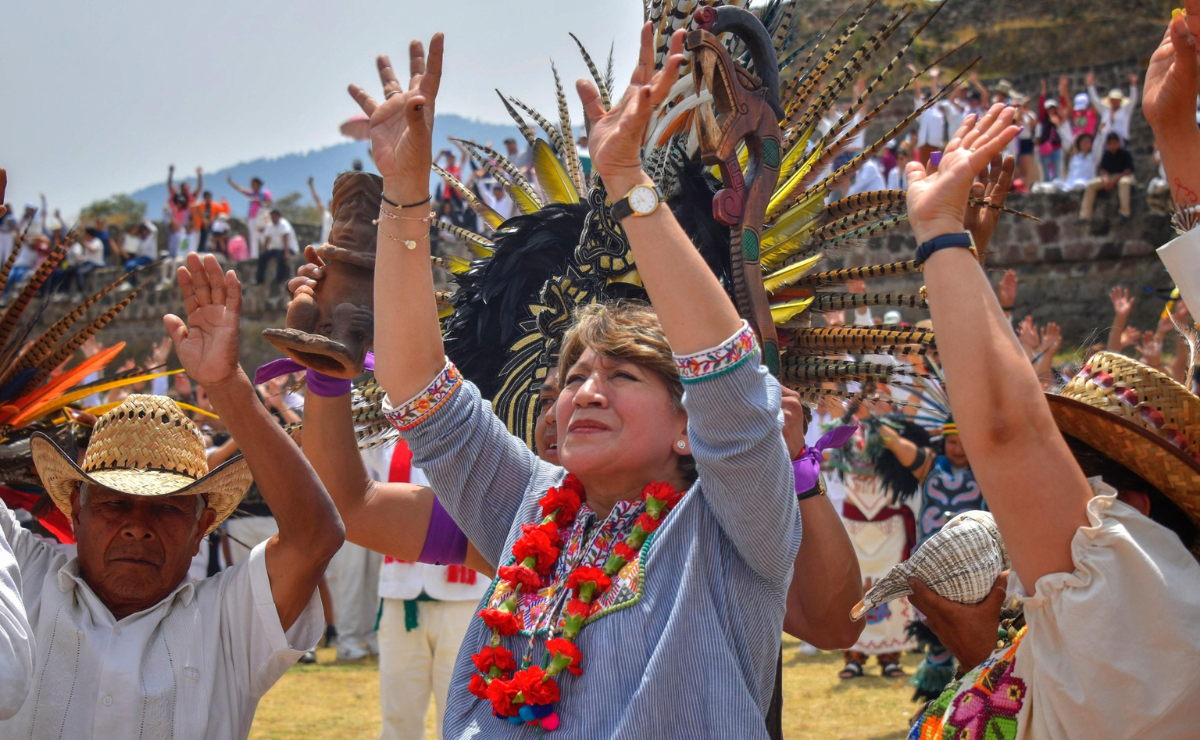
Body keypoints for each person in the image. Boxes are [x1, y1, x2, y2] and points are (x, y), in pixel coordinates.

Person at [351, 26, 800, 738]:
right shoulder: (530, 503)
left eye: (621, 374)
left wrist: (627, 182)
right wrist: (405, 196)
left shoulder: (732, 524)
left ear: (690, 424)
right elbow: (419, 395)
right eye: (574, 377)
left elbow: (727, 372)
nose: (586, 392)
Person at [897, 14, 1200, 723]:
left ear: (1147, 515)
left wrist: (941, 239)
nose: (1061, 497)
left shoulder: (1140, 614)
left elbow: (1007, 432)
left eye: (1092, 482)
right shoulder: (1126, 643)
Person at [0, 252, 345, 738]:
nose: (137, 524)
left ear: (203, 523)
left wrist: (227, 385)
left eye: (166, 507)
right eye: (115, 501)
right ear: (74, 509)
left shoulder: (228, 622)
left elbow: (316, 537)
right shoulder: (21, 579)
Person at [1080, 132, 1136, 221]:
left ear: (1118, 143)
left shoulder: (1125, 153)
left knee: (1124, 183)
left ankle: (1124, 213)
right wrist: (1106, 180)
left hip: (1123, 176)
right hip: (1109, 177)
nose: (1112, 146)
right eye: (1110, 144)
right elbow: (1103, 170)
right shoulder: (1106, 155)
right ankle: (1085, 215)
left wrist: (1115, 179)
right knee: (1091, 185)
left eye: (1114, 143)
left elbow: (1128, 171)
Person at [1088, 70, 1140, 146]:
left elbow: (1133, 99)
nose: (1115, 102)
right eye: (1113, 100)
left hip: (1121, 142)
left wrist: (1133, 85)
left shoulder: (1125, 110)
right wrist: (1090, 86)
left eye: (1117, 100)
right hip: (1106, 143)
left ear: (1120, 101)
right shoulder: (1105, 110)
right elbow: (1095, 100)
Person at [227, 175, 272, 258]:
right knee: (253, 237)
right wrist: (232, 183)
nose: (252, 186)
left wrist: (260, 202)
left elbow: (268, 204)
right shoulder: (252, 193)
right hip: (252, 218)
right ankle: (254, 256)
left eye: (253, 184)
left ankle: (268, 253)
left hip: (261, 218)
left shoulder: (265, 193)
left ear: (258, 184)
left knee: (263, 235)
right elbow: (241, 190)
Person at [257, 209, 297, 285]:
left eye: (275, 217)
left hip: (288, 248)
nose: (273, 219)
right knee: (262, 257)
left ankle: (279, 279)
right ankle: (259, 279)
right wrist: (265, 252)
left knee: (280, 256)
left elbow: (285, 239)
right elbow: (267, 239)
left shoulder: (283, 224)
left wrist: (287, 253)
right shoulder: (270, 225)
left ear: (279, 217)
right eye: (272, 217)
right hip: (277, 249)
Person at [308, 176, 333, 246]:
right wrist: (311, 186)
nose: (332, 206)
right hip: (324, 246)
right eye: (330, 204)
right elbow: (318, 201)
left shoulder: (339, 217)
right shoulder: (326, 215)